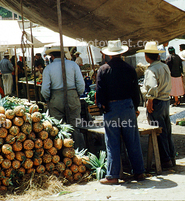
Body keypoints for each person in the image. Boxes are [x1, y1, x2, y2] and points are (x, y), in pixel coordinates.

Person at [96, 40, 145, 184]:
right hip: (127, 107)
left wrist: (102, 107)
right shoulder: (130, 69)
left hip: (111, 109)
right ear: (122, 53)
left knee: (112, 142)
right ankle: (139, 172)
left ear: (109, 55)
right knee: (133, 140)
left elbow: (99, 92)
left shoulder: (103, 70)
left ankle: (113, 176)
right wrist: (135, 108)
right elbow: (135, 91)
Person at [138, 41, 176, 169]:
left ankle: (165, 160)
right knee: (166, 130)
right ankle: (171, 157)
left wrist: (150, 100)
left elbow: (153, 88)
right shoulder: (164, 66)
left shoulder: (151, 70)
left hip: (157, 101)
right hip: (165, 101)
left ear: (147, 57)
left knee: (157, 132)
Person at [41, 46, 85, 149]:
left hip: (56, 99)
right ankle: (79, 152)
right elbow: (81, 85)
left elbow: (45, 90)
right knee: (75, 128)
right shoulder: (73, 65)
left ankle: (61, 154)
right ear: (64, 54)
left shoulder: (48, 68)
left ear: (52, 56)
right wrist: (76, 94)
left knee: (57, 129)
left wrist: (48, 99)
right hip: (72, 96)